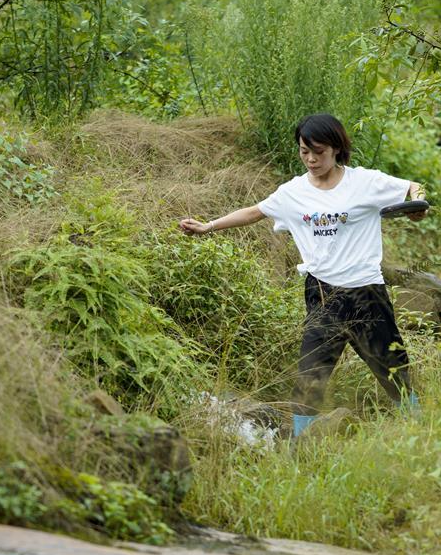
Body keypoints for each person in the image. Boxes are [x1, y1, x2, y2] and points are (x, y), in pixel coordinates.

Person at [179, 113, 426, 437]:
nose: (311, 159)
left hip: (366, 293)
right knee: (311, 374)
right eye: (304, 151)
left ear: (336, 148)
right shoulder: (292, 192)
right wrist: (208, 226)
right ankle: (300, 444)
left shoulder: (364, 182)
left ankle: (418, 427)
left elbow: (414, 186)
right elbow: (254, 212)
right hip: (322, 294)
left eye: (318, 152)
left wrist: (418, 205)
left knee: (392, 366)